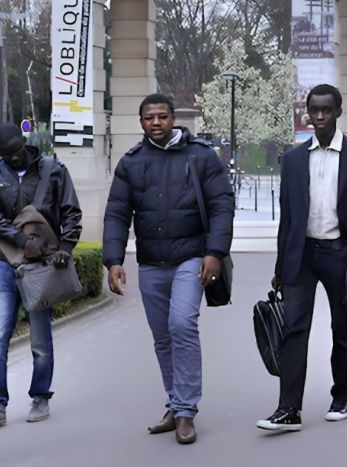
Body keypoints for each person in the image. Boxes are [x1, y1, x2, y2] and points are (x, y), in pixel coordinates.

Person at [103, 94, 234, 444]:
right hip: (151, 262)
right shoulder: (131, 162)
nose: (156, 123)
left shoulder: (201, 155)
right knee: (162, 336)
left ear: (174, 119)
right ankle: (175, 404)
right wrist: (113, 260)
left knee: (182, 324)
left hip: (191, 256)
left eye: (162, 116)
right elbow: (117, 212)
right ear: (142, 122)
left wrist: (215, 252)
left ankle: (187, 410)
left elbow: (222, 205)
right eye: (149, 118)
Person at [257, 84, 347, 431]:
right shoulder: (293, 159)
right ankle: (288, 408)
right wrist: (281, 267)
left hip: (340, 253)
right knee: (294, 329)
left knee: (342, 325)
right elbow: (287, 216)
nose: (319, 116)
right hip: (301, 255)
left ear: (338, 111)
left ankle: (342, 395)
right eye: (314, 110)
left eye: (326, 110)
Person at [0, 122, 82, 429]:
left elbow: (71, 211)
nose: (13, 158)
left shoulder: (52, 169)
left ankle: (40, 396)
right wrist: (23, 241)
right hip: (9, 264)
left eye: (16, 151)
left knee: (40, 336)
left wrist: (66, 246)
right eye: (6, 154)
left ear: (24, 142)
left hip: (43, 265)